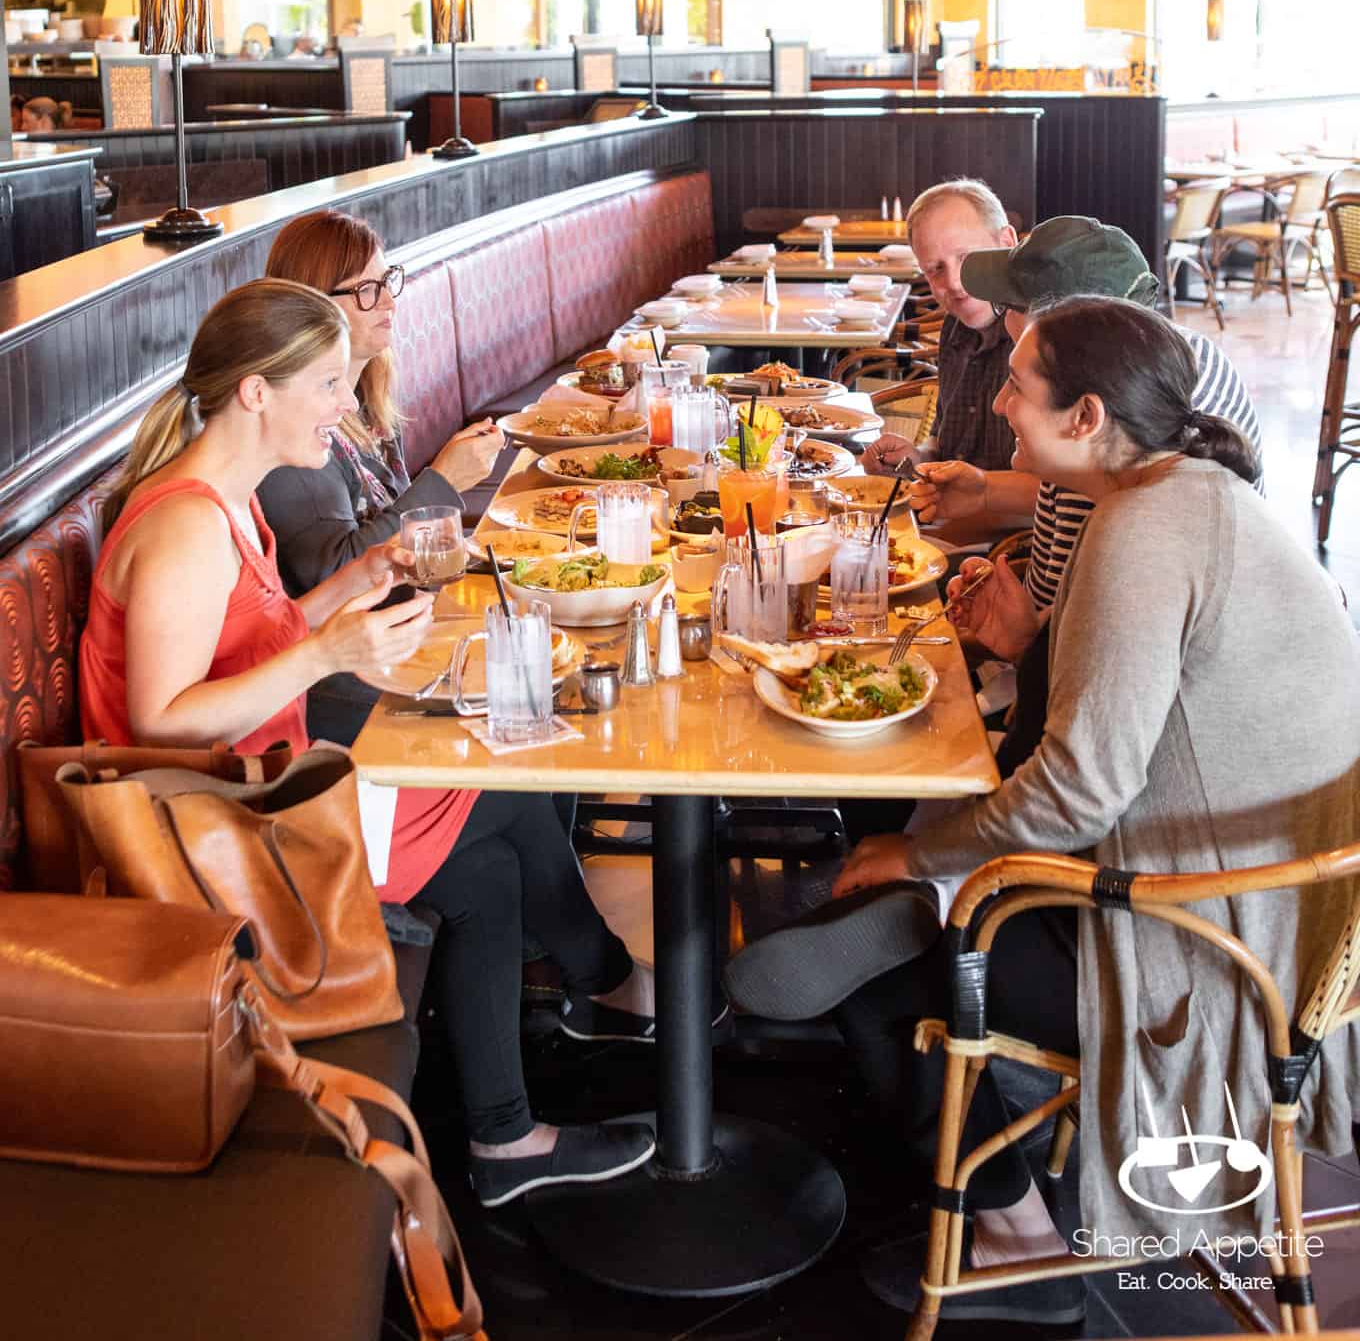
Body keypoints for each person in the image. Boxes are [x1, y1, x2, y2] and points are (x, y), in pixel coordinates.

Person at [736, 298, 1360, 1321]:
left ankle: (1014, 1240)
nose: (997, 404)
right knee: (900, 897)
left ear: (1086, 417)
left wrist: (920, 850)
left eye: (1018, 387)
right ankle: (921, 915)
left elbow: (1081, 787)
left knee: (887, 974)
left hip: (1208, 952)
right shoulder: (1191, 494)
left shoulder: (1144, 530)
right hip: (1280, 917)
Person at [78, 279, 658, 1207]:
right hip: (215, 831)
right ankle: (573, 1037)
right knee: (502, 791)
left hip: (264, 792)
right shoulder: (187, 524)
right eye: (332, 385)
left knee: (489, 861)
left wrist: (356, 577)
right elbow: (161, 723)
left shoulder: (226, 499)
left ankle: (516, 1123)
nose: (348, 409)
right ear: (258, 392)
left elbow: (250, 640)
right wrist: (326, 653)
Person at [906, 214, 1264, 619]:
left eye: (1010, 305)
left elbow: (1073, 632)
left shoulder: (1118, 425)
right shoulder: (1166, 355)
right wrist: (986, 491)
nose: (1001, 402)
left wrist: (1012, 645)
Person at [258, 210, 503, 603]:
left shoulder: (370, 390)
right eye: (367, 289)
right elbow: (334, 577)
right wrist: (445, 482)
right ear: (313, 304)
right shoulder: (294, 422)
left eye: (387, 281)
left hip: (409, 606)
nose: (389, 301)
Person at [863, 179, 1019, 477]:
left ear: (1007, 243)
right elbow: (944, 439)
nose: (955, 283)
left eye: (967, 259)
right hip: (945, 511)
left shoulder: (1038, 336)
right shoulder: (954, 328)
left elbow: (1055, 487)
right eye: (935, 269)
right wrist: (916, 458)